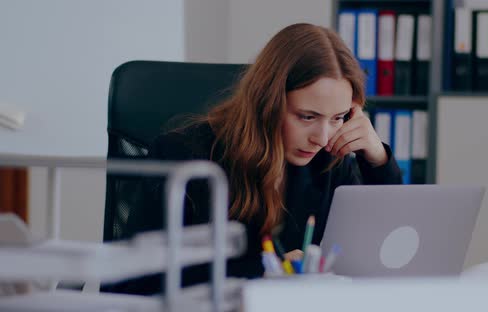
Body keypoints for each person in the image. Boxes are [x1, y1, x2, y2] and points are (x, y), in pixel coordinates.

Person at [113, 23, 402, 295]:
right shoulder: (184, 155)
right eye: (307, 117)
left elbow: (385, 248)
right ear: (268, 103)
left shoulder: (330, 161)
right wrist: (262, 278)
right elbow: (136, 282)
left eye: (338, 118)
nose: (323, 137)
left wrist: (377, 160)